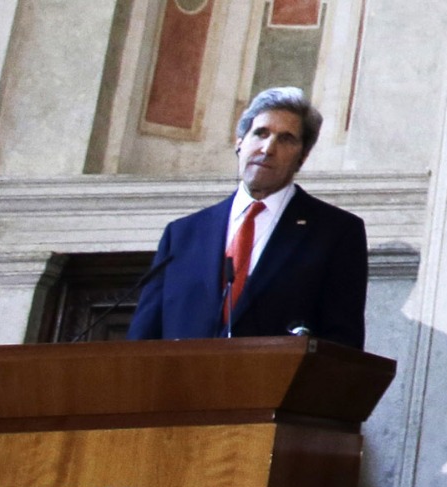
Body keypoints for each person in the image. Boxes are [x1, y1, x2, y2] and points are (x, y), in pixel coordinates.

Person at [127, 87, 368, 349]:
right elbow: (142, 342)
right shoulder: (182, 235)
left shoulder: (336, 232)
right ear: (239, 142)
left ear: (302, 157)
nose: (268, 148)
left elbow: (342, 345)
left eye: (286, 139)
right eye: (260, 133)